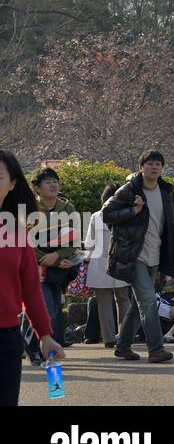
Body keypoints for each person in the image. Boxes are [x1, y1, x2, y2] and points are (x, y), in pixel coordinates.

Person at [102, 150, 174, 363]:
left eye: (158, 164)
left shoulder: (167, 192)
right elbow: (106, 214)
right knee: (148, 300)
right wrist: (133, 212)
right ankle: (156, 348)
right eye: (149, 164)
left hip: (156, 254)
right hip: (134, 254)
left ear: (162, 168)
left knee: (141, 302)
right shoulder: (129, 190)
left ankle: (123, 346)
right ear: (141, 167)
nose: (154, 167)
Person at [0, 150, 64, 405]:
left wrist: (45, 335)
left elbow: (31, 290)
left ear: (12, 183)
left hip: (6, 338)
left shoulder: (16, 233)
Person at [28, 167, 81, 350]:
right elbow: (26, 243)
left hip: (59, 269)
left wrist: (57, 257)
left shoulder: (68, 208)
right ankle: (36, 349)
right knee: (46, 309)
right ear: (37, 188)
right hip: (36, 269)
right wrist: (46, 258)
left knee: (54, 307)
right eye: (48, 182)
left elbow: (74, 241)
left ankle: (39, 347)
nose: (53, 185)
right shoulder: (29, 209)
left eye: (55, 181)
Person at [84, 184, 130, 349]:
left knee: (104, 301)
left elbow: (89, 243)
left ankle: (109, 338)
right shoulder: (127, 215)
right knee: (123, 300)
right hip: (121, 261)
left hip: (99, 262)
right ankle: (125, 335)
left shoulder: (96, 216)